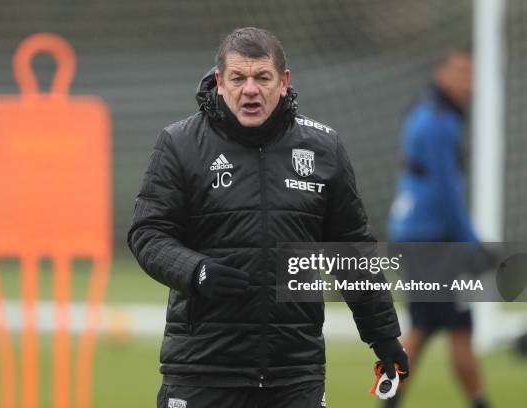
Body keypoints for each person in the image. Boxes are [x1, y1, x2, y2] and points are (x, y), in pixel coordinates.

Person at [129, 27, 408, 408]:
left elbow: (351, 251)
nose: (250, 89)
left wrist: (384, 336)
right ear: (220, 82)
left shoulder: (323, 148)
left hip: (295, 373)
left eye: (262, 77)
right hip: (203, 370)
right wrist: (196, 271)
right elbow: (148, 233)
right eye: (238, 78)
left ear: (283, 81)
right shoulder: (179, 144)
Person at [388, 50, 489, 408]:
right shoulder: (439, 120)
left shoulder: (425, 111)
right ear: (441, 73)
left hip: (416, 236)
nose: (469, 82)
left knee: (433, 327)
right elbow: (446, 190)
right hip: (432, 240)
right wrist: (471, 242)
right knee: (441, 327)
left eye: (472, 74)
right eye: (461, 72)